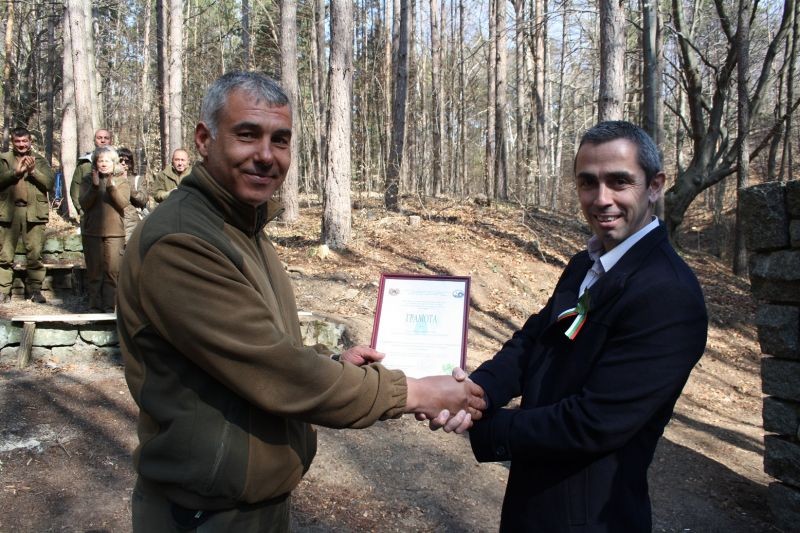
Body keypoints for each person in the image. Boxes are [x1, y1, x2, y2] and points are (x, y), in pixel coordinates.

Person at [117, 71, 484, 532]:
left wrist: (336, 365)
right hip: (203, 514)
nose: (266, 155)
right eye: (247, 134)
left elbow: (256, 349)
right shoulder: (183, 242)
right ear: (204, 139)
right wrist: (415, 392)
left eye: (280, 140)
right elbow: (278, 372)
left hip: (248, 504)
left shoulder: (242, 227)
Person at [435, 121, 708, 531]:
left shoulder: (668, 293)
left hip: (591, 517)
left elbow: (594, 422)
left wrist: (482, 423)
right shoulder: (586, 264)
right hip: (532, 502)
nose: (601, 198)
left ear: (654, 186)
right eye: (588, 182)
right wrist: (481, 391)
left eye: (619, 181)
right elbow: (534, 341)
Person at [0, 127, 55, 304]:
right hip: (8, 211)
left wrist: (33, 172)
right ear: (12, 142)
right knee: (4, 254)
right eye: (18, 141)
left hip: (34, 212)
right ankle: (3, 290)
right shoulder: (4, 159)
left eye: (25, 141)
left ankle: (35, 290)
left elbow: (49, 184)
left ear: (30, 141)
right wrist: (14, 173)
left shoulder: (39, 160)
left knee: (35, 254)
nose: (21, 144)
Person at [80, 146, 129, 312]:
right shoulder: (88, 180)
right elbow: (84, 204)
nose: (103, 164)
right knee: (94, 272)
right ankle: (94, 306)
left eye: (107, 161)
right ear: (95, 163)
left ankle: (110, 306)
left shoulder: (121, 180)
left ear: (114, 163)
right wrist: (94, 187)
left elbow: (123, 203)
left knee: (112, 272)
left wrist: (111, 187)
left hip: (115, 233)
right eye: (100, 161)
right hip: (92, 232)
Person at [70, 128, 113, 218]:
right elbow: (75, 189)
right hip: (89, 214)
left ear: (110, 141)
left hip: (113, 215)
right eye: (99, 138)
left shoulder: (119, 162)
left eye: (106, 138)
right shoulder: (85, 164)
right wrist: (80, 209)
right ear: (94, 141)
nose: (103, 140)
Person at [117, 148, 149, 243]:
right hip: (114, 223)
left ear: (131, 163)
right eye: (120, 160)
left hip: (132, 224)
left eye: (127, 161)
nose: (123, 163)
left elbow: (143, 200)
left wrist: (127, 183)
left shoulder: (137, 179)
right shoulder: (109, 179)